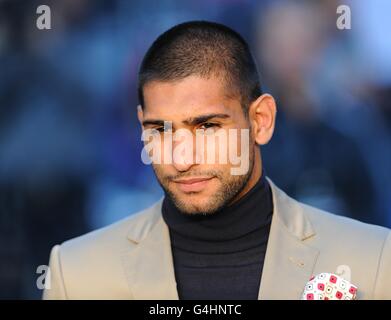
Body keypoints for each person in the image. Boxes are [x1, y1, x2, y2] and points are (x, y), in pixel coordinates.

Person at [43, 21, 391, 300]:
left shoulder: (372, 261)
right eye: (161, 130)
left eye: (207, 127)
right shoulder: (78, 275)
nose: (181, 158)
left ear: (261, 120)